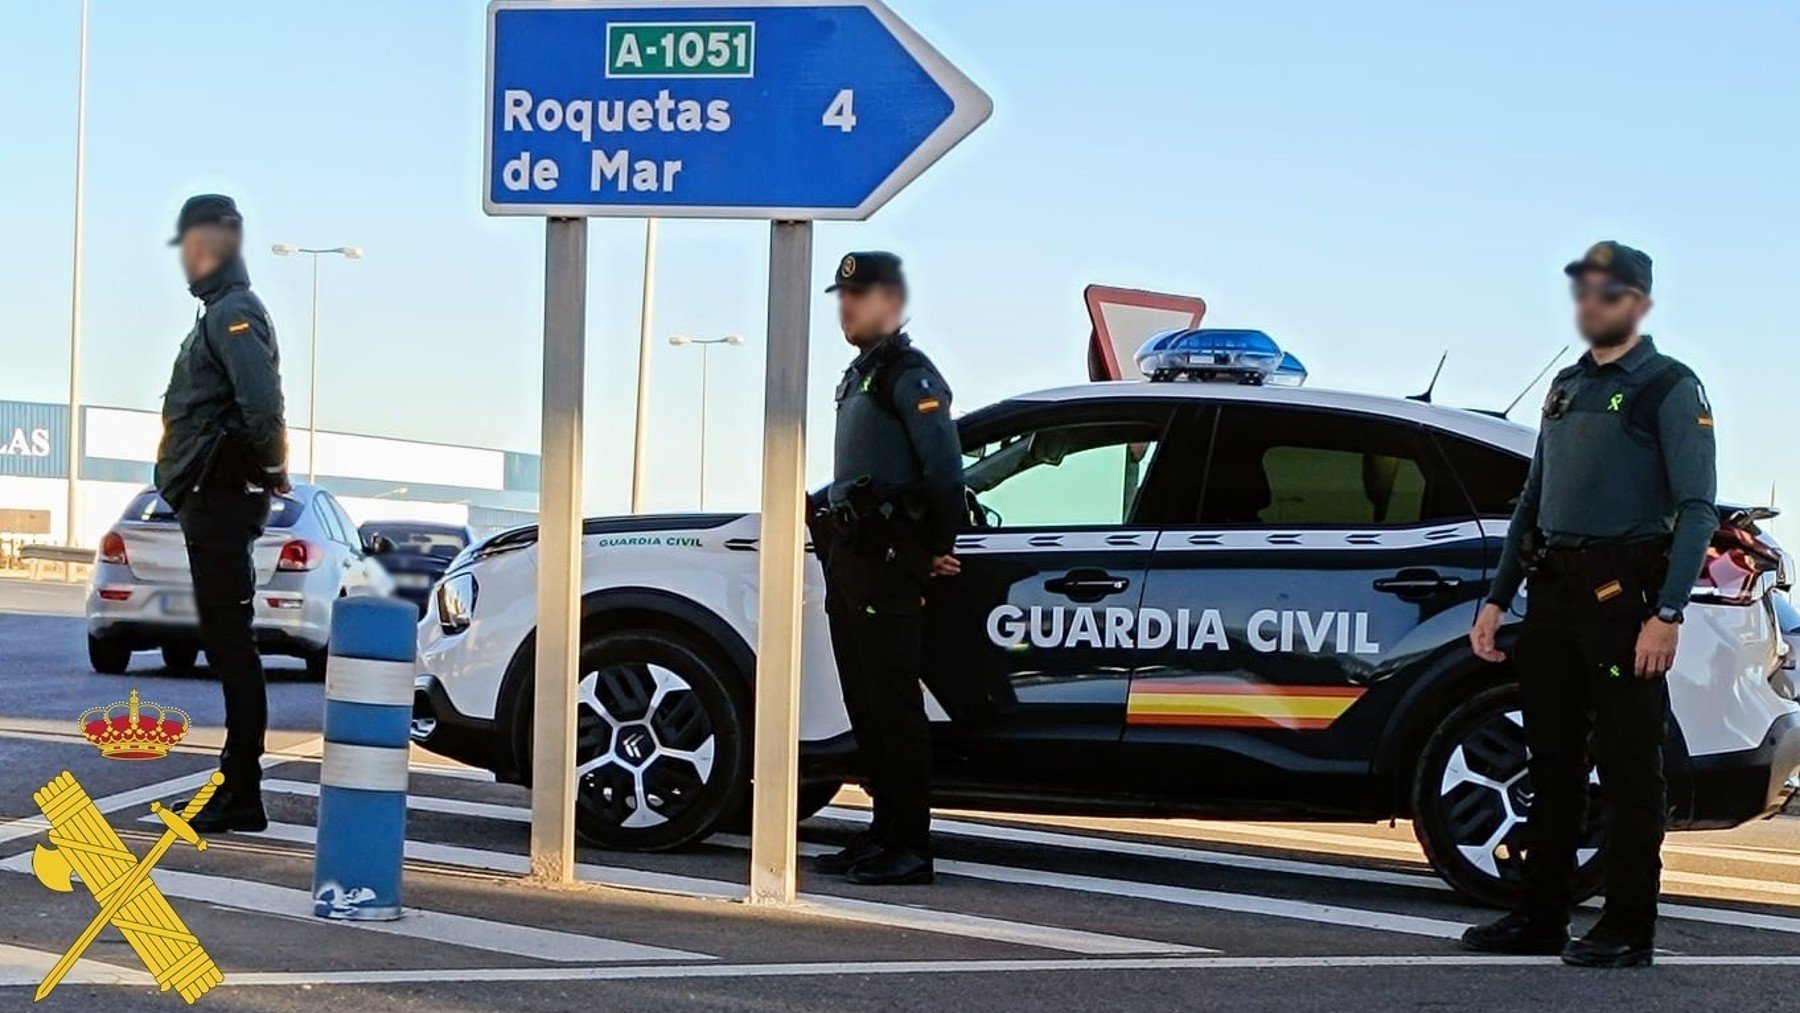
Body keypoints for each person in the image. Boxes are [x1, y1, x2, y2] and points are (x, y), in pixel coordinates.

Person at [1464, 241, 1717, 967]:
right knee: (1551, 760)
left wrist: (1666, 613)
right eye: (1582, 293)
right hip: (1552, 590)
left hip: (1623, 593)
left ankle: (1628, 925)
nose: (1590, 306)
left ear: (1637, 302)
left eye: (1606, 293)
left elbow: (1697, 507)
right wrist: (1497, 595)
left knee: (1631, 763)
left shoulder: (1667, 386)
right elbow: (1533, 500)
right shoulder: (1568, 385)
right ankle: (1540, 915)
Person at [810, 251, 965, 886]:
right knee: (866, 704)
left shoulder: (908, 374)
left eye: (860, 295)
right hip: (855, 561)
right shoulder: (862, 375)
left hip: (888, 565)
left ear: (891, 304)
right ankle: (881, 834)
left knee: (894, 707)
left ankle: (911, 846)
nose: (846, 306)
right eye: (842, 295)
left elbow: (946, 471)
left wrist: (930, 551)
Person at [155, 194, 290, 833]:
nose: (186, 254)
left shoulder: (234, 313)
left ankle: (241, 791)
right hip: (212, 496)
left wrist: (263, 470)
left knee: (231, 645)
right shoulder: (221, 312)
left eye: (193, 241)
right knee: (226, 641)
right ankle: (239, 787)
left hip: (222, 496)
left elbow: (260, 409)